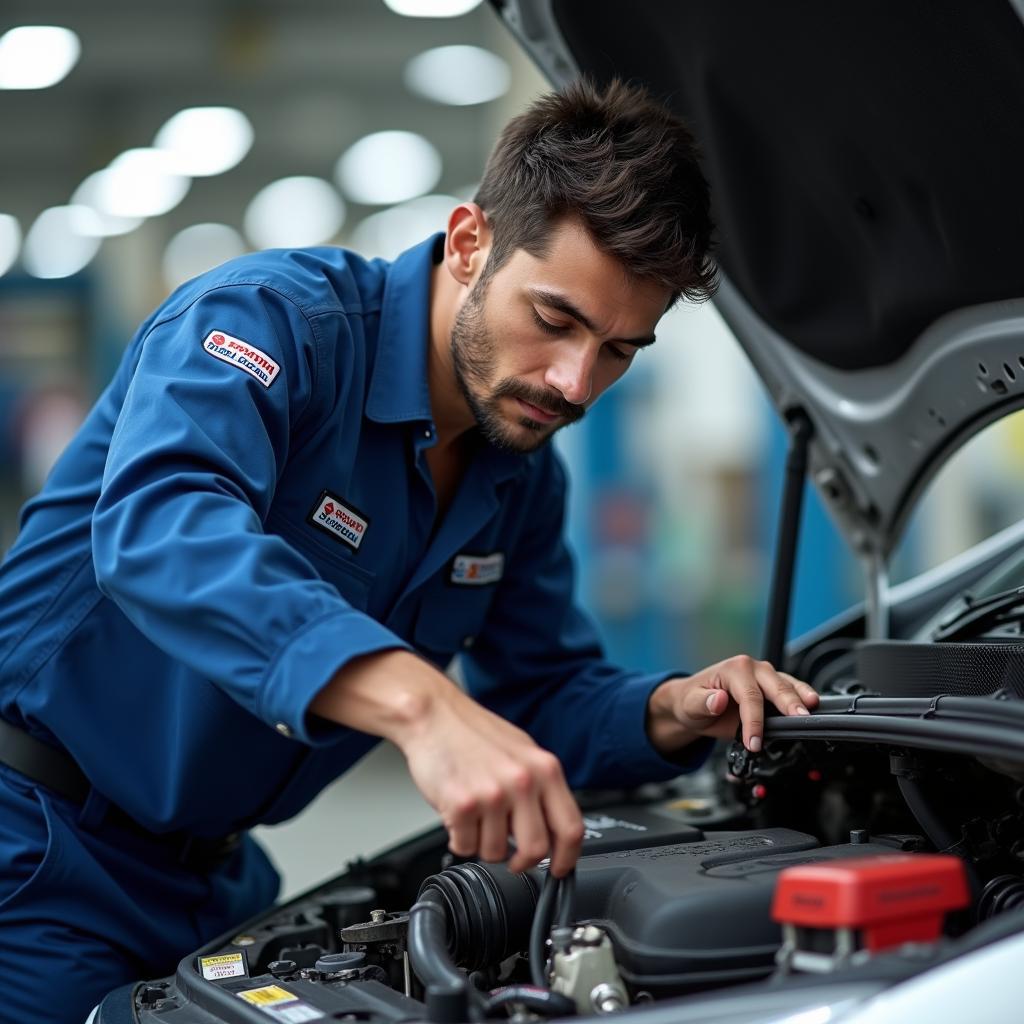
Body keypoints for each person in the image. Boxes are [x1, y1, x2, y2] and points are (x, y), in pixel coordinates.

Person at [0, 78, 818, 1020]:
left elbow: (541, 691)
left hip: (212, 886)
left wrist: (674, 706)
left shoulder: (516, 476)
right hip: (39, 851)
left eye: (620, 350)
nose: (574, 383)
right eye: (556, 320)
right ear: (470, 242)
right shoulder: (270, 325)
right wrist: (422, 704)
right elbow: (160, 526)